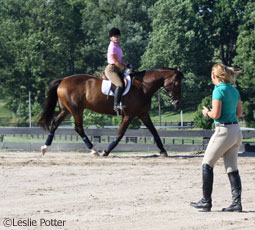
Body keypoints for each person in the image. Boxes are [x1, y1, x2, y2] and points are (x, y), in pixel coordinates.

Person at [190, 63, 243, 212]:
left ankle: (206, 201)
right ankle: (236, 203)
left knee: (207, 164)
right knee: (232, 168)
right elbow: (239, 113)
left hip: (223, 131)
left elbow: (216, 115)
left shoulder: (218, 91)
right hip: (236, 131)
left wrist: (207, 112)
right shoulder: (234, 90)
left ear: (214, 76)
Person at [105, 27, 132, 112]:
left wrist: (127, 64)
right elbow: (115, 61)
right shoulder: (112, 47)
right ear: (111, 37)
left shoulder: (117, 46)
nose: (117, 37)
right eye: (115, 36)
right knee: (119, 84)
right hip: (111, 69)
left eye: (117, 36)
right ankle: (116, 105)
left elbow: (119, 59)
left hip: (117, 68)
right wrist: (125, 69)